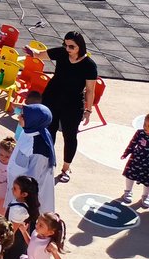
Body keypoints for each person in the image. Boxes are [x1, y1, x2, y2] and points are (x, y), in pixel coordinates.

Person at [27, 30, 98, 182]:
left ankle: (66, 168)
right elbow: (40, 55)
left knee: (70, 136)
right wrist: (31, 52)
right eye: (65, 45)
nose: (67, 49)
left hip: (72, 105)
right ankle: (47, 163)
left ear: (80, 46)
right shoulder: (61, 53)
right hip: (51, 99)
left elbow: (90, 91)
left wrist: (88, 110)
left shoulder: (89, 65)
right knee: (48, 132)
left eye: (71, 47)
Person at [119, 116, 149, 207]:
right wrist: (126, 153)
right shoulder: (140, 133)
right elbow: (132, 143)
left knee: (147, 180)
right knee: (130, 175)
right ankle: (128, 191)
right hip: (136, 158)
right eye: (145, 124)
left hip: (148, 163)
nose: (146, 128)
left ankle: (146, 196)